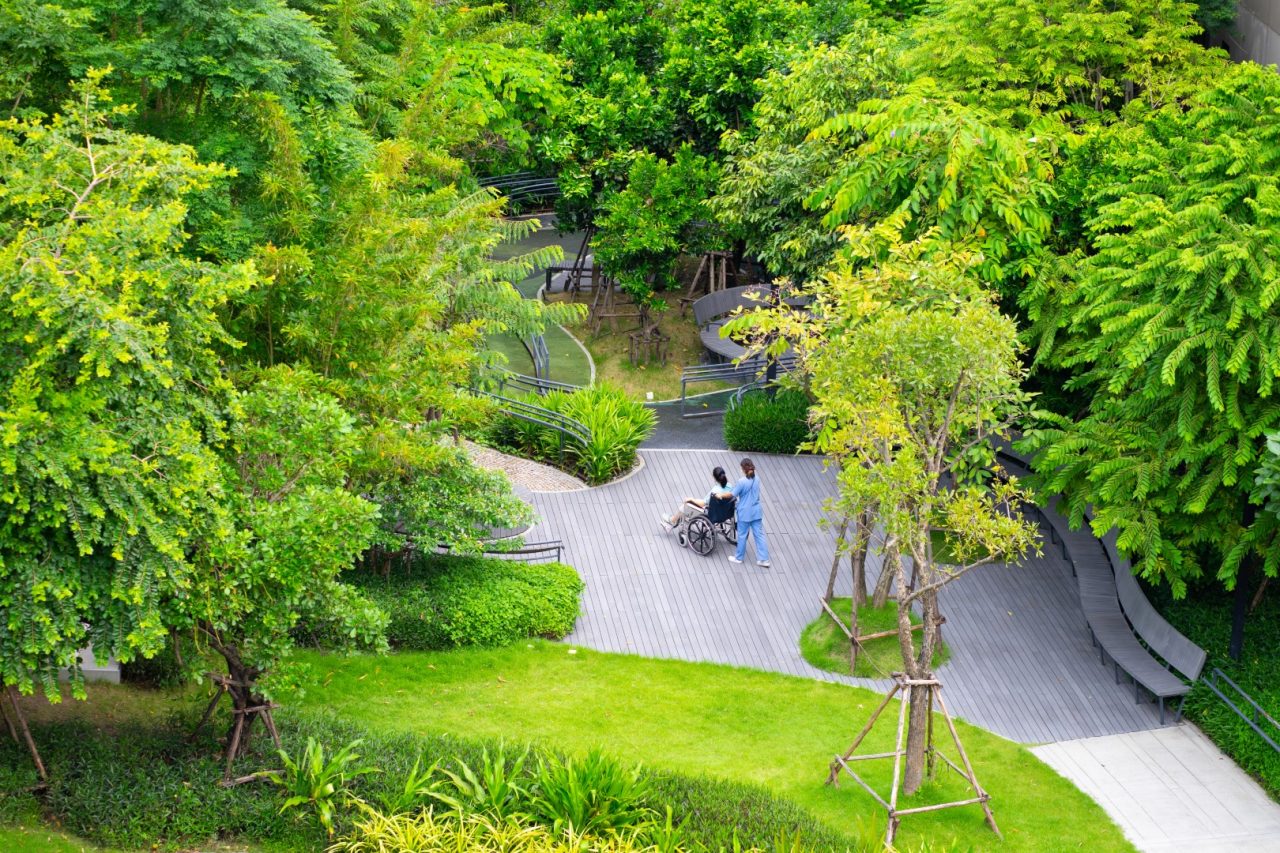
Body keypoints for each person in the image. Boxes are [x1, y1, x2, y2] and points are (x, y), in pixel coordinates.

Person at [660, 467, 733, 531]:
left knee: (685, 505)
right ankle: (672, 523)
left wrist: (692, 499)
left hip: (711, 512)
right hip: (725, 513)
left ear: (714, 478)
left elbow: (703, 503)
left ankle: (672, 521)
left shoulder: (715, 491)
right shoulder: (730, 486)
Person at [729, 457, 770, 567]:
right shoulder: (757, 479)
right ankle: (764, 559)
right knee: (759, 535)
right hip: (756, 512)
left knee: (742, 535)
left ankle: (739, 558)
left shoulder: (741, 481)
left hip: (745, 513)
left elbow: (733, 494)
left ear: (743, 468)